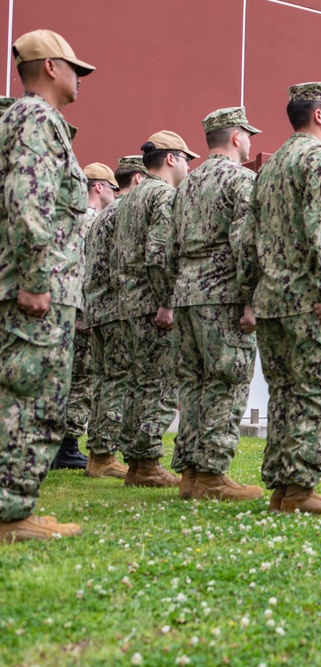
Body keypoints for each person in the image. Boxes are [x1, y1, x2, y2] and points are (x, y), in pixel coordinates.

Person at [239, 82, 321, 515]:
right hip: (311, 301)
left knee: (285, 395)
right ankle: (301, 490)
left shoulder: (269, 167)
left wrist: (250, 296)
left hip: (272, 302)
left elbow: (247, 238)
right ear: (320, 113)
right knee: (317, 394)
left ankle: (284, 490)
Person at [0, 29, 95, 543]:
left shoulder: (29, 119)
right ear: (52, 68)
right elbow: (27, 199)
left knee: (30, 396)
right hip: (39, 288)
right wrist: (36, 279)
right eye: (75, 68)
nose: (80, 78)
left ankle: (17, 508)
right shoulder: (37, 118)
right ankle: (11, 515)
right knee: (30, 397)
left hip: (43, 283)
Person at [168, 107, 262, 501]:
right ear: (237, 137)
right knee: (227, 382)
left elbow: (170, 248)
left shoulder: (185, 186)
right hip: (223, 297)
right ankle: (212, 477)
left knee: (192, 385)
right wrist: (253, 299)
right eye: (248, 134)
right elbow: (247, 242)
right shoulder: (242, 180)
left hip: (186, 296)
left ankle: (191, 473)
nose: (251, 140)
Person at [115, 131, 198, 487]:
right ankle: (146, 465)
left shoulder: (131, 197)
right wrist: (166, 302)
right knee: (158, 386)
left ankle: (136, 464)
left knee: (137, 384)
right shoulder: (163, 195)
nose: (189, 166)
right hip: (152, 304)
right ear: (171, 158)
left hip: (128, 302)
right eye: (186, 159)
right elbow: (158, 253)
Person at [83, 156, 145, 478]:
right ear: (137, 179)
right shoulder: (125, 212)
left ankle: (97, 454)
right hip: (116, 308)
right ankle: (104, 455)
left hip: (97, 308)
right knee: (118, 380)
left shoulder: (103, 214)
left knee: (104, 379)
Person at [54, 162, 119, 471]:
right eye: (112, 188)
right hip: (82, 311)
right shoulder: (91, 220)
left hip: (67, 309)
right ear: (98, 187)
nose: (114, 194)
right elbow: (86, 271)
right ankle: (66, 448)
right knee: (81, 381)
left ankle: (60, 446)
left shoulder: (69, 217)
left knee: (68, 378)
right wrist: (87, 314)